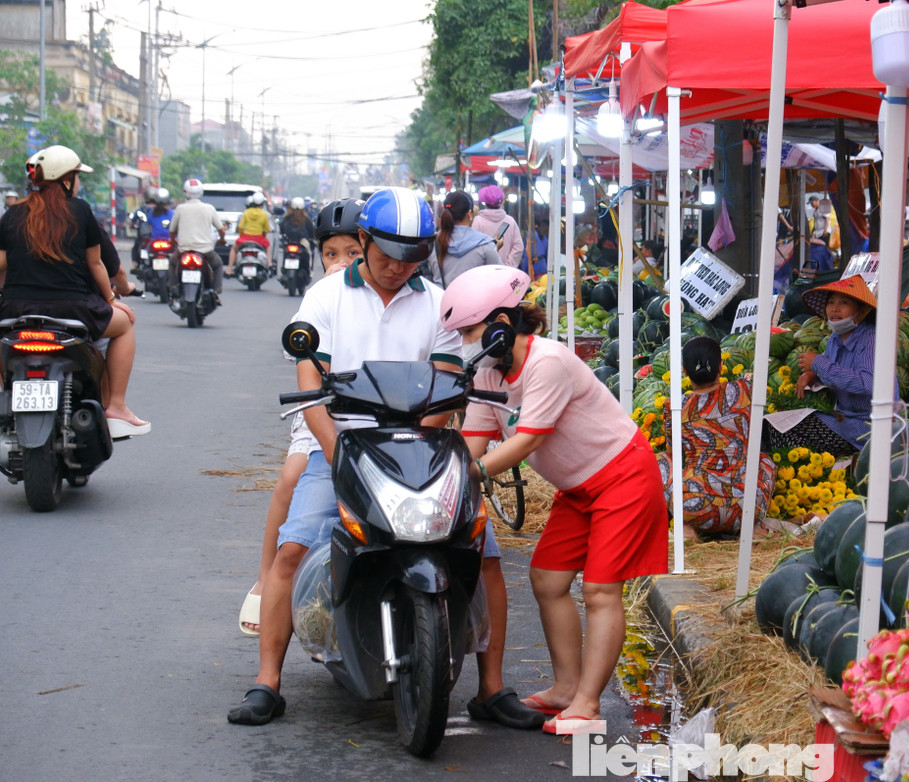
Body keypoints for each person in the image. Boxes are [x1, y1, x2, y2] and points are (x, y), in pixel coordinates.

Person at [228, 188, 542, 731]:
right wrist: (339, 454)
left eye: (412, 257)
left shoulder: (436, 301)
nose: (398, 268)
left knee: (483, 552)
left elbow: (446, 381)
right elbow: (310, 385)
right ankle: (267, 682)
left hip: (420, 446)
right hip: (343, 443)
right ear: (365, 242)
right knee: (293, 547)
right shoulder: (326, 296)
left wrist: (417, 443)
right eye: (386, 255)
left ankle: (491, 688)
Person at [442, 264, 668, 735]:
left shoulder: (548, 360)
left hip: (622, 475)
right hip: (579, 489)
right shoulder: (489, 374)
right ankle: (566, 688)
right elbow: (473, 441)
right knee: (546, 579)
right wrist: (443, 476)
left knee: (601, 589)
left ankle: (587, 707)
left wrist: (476, 473)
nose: (465, 343)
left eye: (469, 330)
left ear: (501, 325)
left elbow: (525, 442)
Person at [237, 198, 366, 639]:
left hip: (375, 415)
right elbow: (304, 366)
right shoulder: (319, 297)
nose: (340, 261)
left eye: (352, 252)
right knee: (292, 477)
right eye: (331, 253)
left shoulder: (395, 291)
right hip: (321, 412)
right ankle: (264, 573)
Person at [0, 145, 149, 438]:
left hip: (16, 309)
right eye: (76, 176)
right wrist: (111, 301)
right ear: (66, 179)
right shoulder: (80, 211)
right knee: (125, 325)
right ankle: (117, 405)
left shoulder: (13, 214)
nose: (78, 181)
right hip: (74, 310)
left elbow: (1, 263)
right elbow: (96, 263)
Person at [655, 337, 776, 538]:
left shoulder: (675, 405)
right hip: (745, 506)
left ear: (684, 371)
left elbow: (674, 452)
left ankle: (689, 529)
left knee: (662, 460)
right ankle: (752, 528)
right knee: (764, 459)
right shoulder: (744, 391)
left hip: (695, 506)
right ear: (721, 366)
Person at [767, 275, 891, 455]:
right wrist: (812, 374)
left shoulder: (871, 339)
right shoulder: (835, 339)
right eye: (831, 302)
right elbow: (833, 366)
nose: (835, 309)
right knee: (771, 428)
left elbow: (868, 382)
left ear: (862, 310)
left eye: (844, 303)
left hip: (866, 427)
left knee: (786, 436)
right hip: (842, 417)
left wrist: (818, 363)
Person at [429, 190, 501, 288]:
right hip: (474, 302)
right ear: (469, 214)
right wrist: (495, 248)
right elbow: (500, 278)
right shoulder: (485, 244)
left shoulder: (431, 242)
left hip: (439, 300)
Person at [169, 178, 225, 293]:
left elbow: (172, 230)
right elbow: (221, 229)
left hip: (183, 250)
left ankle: (173, 287)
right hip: (205, 250)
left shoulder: (180, 208)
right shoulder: (209, 208)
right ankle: (216, 290)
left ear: (185, 192)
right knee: (218, 265)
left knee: (171, 263)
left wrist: (173, 241)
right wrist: (222, 239)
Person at [470, 185, 523, 268]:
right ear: (501, 201)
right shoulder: (510, 221)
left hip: (483, 273)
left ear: (484, 202)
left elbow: (472, 250)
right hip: (505, 274)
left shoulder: (477, 222)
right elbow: (519, 247)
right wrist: (507, 265)